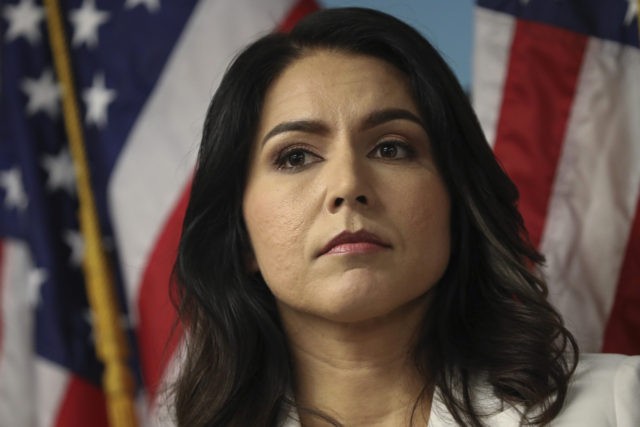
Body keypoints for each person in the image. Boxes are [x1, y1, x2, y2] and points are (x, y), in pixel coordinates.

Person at [171, 7, 640, 427]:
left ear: (456, 202)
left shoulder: (619, 405)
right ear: (241, 238)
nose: (348, 185)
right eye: (296, 157)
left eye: (390, 148)